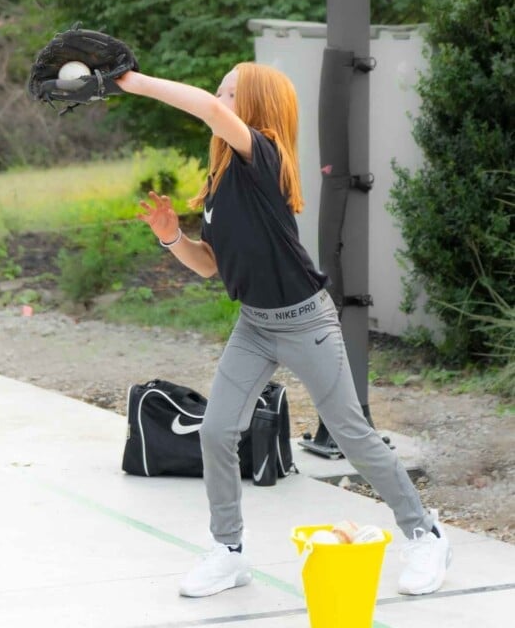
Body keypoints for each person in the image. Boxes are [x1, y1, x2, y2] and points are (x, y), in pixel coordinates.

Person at [123, 61, 452, 599]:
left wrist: (131, 83)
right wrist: (171, 238)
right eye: (219, 89)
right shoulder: (223, 178)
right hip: (254, 324)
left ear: (254, 108)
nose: (218, 97)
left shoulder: (263, 156)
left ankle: (425, 532)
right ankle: (228, 552)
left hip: (306, 322)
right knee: (215, 430)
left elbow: (204, 108)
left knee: (351, 434)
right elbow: (210, 265)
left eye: (230, 91)